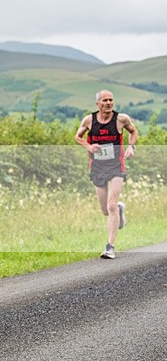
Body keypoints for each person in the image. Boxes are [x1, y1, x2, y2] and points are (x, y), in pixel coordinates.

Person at [75, 89, 137, 259]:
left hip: (116, 166)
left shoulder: (121, 119)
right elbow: (78, 137)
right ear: (98, 104)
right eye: (105, 100)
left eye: (111, 100)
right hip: (97, 167)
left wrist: (131, 147)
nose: (108, 103)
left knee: (111, 205)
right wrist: (89, 147)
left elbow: (133, 131)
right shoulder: (89, 120)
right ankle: (119, 210)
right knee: (105, 210)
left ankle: (110, 247)